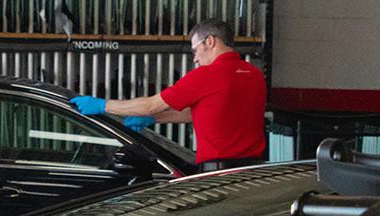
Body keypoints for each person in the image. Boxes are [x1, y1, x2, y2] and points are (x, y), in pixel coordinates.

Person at [68, 19, 267, 172]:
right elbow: (201, 113)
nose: (195, 59)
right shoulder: (254, 75)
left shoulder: (206, 75)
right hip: (254, 172)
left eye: (195, 50)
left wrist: (102, 105)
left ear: (210, 41)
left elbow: (149, 105)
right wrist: (155, 118)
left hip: (219, 175)